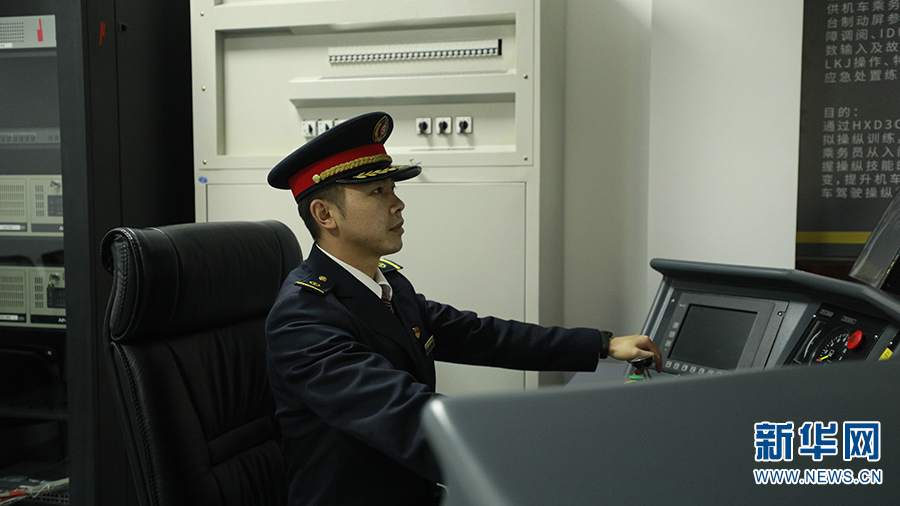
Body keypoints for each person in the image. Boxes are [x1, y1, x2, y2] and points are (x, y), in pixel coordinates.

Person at [265, 111, 661, 505]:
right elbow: (404, 414)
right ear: (325, 214)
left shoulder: (387, 286)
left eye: (393, 189)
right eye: (377, 193)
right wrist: (544, 450)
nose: (398, 204)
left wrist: (602, 345)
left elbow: (481, 335)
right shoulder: (303, 319)